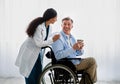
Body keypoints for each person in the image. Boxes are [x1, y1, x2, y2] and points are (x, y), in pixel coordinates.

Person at [15, 8, 60, 84]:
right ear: (51, 18)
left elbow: (46, 38)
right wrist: (53, 40)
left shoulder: (49, 27)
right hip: (29, 52)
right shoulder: (39, 27)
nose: (56, 19)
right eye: (56, 17)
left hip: (37, 53)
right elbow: (39, 43)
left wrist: (57, 36)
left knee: (38, 72)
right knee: (30, 74)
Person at [51, 17, 97, 84]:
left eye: (69, 24)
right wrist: (73, 48)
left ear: (72, 26)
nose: (66, 26)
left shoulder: (72, 37)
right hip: (68, 64)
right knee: (92, 61)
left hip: (74, 61)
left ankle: (87, 82)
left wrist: (80, 49)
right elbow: (58, 55)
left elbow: (77, 53)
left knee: (92, 67)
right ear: (61, 25)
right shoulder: (58, 37)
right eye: (64, 24)